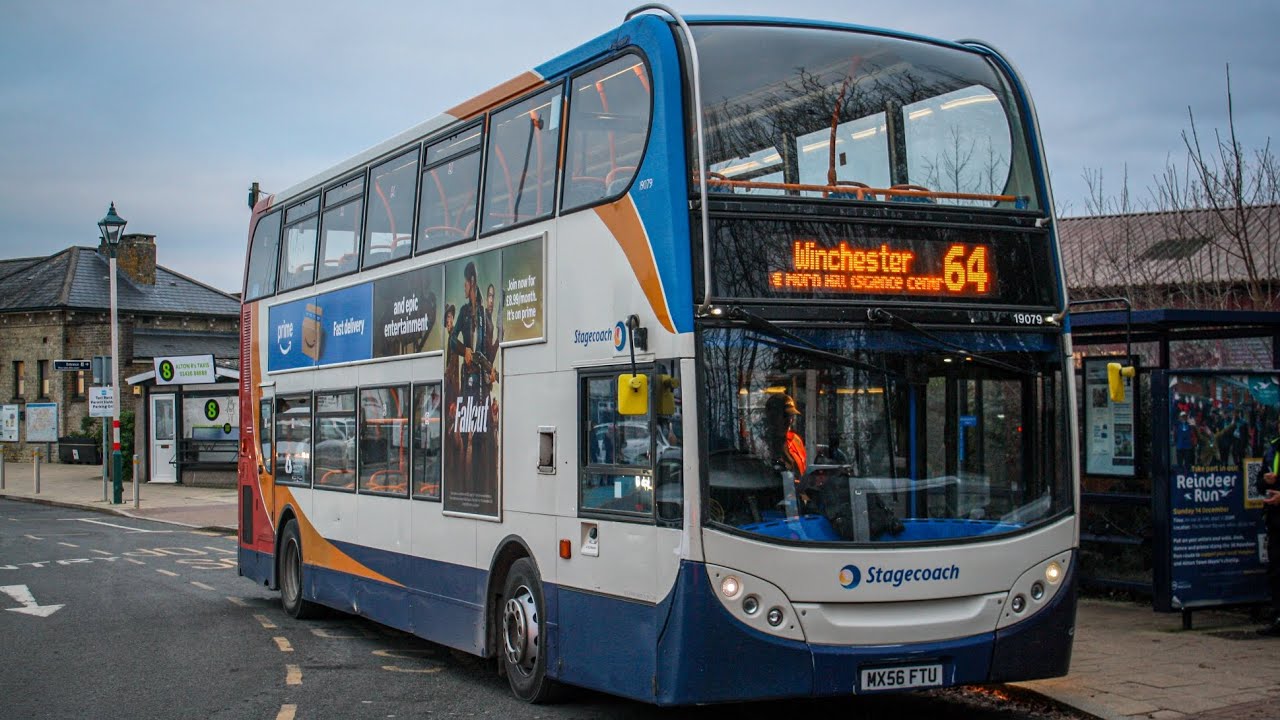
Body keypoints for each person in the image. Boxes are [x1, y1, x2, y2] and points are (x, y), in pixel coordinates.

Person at [1258, 415, 1280, 636]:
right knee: (1276, 570)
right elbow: (1258, 484)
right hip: (1275, 521)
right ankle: (1278, 617)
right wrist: (1266, 481)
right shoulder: (1272, 450)